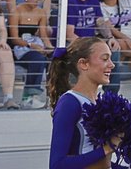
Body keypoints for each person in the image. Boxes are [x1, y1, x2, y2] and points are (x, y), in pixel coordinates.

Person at [46, 36, 122, 169]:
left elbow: (100, 163)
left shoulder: (99, 102)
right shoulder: (69, 103)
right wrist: (109, 147)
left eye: (110, 58)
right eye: (105, 59)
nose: (112, 64)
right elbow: (57, 165)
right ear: (84, 64)